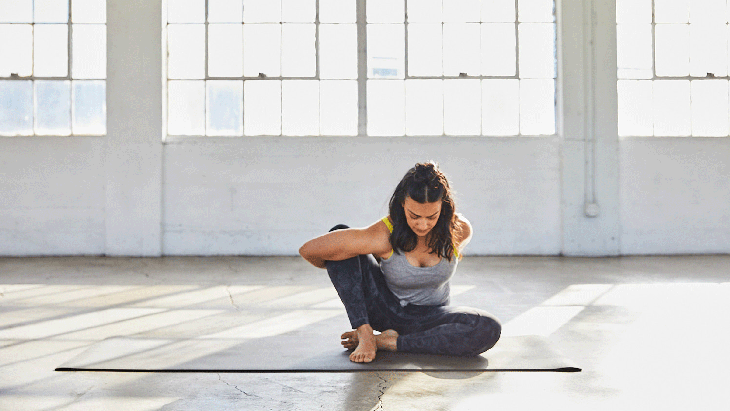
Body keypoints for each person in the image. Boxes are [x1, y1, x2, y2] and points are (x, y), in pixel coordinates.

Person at [299, 161, 501, 363]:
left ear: (444, 207)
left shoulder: (458, 230)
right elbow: (309, 251)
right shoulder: (384, 233)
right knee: (339, 243)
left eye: (432, 216)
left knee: (487, 327)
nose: (423, 224)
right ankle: (365, 332)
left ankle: (387, 342)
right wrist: (344, 275)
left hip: (432, 317)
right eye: (414, 216)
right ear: (402, 204)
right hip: (386, 310)